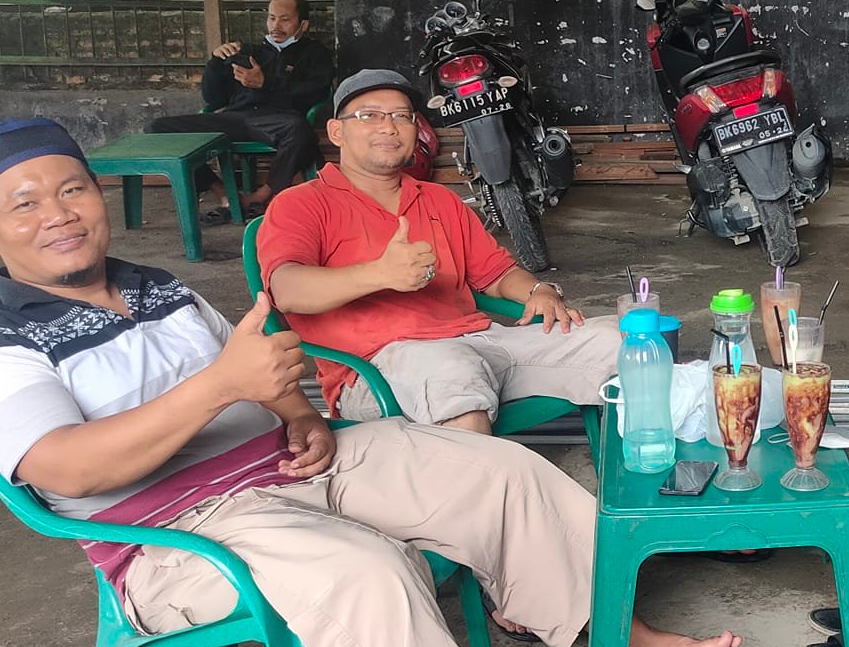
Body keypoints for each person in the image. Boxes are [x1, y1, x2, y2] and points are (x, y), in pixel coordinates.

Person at [0, 118, 752, 647]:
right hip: (173, 536)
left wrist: (299, 414)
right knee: (365, 569)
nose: (59, 214)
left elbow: (262, 365)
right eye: (25, 204)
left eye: (72, 190)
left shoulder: (159, 291)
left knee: (500, 471)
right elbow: (69, 468)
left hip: (293, 465)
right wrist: (220, 386)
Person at [256, 68, 617, 433]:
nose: (389, 127)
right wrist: (378, 274)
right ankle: (479, 469)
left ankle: (637, 466)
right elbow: (287, 290)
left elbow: (497, 273)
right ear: (337, 131)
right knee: (453, 376)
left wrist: (538, 291)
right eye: (370, 115)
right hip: (378, 369)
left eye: (402, 116)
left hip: (480, 343)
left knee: (623, 342)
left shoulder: (439, 199)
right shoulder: (302, 203)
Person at [151, 0, 334, 225]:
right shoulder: (247, 52)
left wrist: (266, 83)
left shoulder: (315, 54)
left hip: (280, 121)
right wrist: (215, 63)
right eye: (272, 18)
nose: (276, 26)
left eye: (285, 19)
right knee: (158, 129)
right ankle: (224, 193)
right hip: (235, 119)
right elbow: (213, 98)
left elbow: (316, 92)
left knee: (300, 130)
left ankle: (258, 198)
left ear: (303, 24)